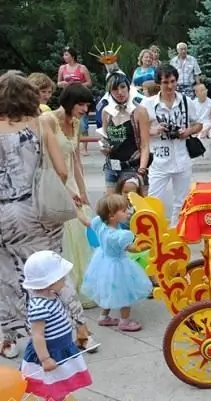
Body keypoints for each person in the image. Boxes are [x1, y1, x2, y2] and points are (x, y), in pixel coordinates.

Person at [0, 73, 98, 359]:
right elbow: (62, 170)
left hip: (1, 212)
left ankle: (9, 339)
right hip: (35, 210)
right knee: (52, 273)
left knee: (6, 275)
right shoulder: (40, 124)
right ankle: (80, 329)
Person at [44, 83, 96, 309]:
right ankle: (62, 289)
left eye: (87, 105)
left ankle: (82, 287)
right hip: (53, 182)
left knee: (82, 235)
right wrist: (66, 192)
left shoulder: (75, 123)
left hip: (71, 183)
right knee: (63, 236)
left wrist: (83, 193)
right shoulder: (48, 120)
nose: (85, 109)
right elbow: (45, 162)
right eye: (81, 104)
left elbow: (76, 161)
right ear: (69, 101)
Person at [20, 251, 93, 401]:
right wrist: (45, 359)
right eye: (62, 278)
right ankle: (55, 397)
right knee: (52, 382)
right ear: (49, 282)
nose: (65, 280)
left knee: (60, 382)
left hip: (62, 347)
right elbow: (37, 335)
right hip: (51, 351)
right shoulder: (40, 306)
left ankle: (58, 397)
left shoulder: (52, 296)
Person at [79, 194, 153, 332]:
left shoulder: (99, 223)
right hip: (119, 265)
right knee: (126, 293)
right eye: (124, 211)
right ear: (112, 216)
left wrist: (76, 209)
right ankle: (124, 321)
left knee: (108, 291)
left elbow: (86, 222)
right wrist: (148, 245)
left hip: (103, 261)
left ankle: (103, 317)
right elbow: (132, 249)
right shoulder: (119, 235)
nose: (128, 213)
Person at [141, 64, 202, 227]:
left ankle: (177, 233)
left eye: (173, 81)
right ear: (158, 83)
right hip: (159, 159)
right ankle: (153, 233)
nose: (170, 86)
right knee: (153, 200)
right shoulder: (147, 104)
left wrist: (187, 131)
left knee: (181, 201)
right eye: (165, 82)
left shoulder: (186, 101)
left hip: (182, 157)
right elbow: (140, 130)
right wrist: (155, 130)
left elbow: (198, 125)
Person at [97, 72, 150, 195]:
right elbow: (105, 137)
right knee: (112, 209)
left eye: (122, 87)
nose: (119, 92)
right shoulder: (107, 112)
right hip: (112, 167)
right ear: (109, 91)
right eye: (114, 89)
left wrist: (141, 171)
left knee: (136, 209)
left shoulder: (139, 111)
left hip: (133, 167)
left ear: (128, 87)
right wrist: (103, 146)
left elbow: (145, 145)